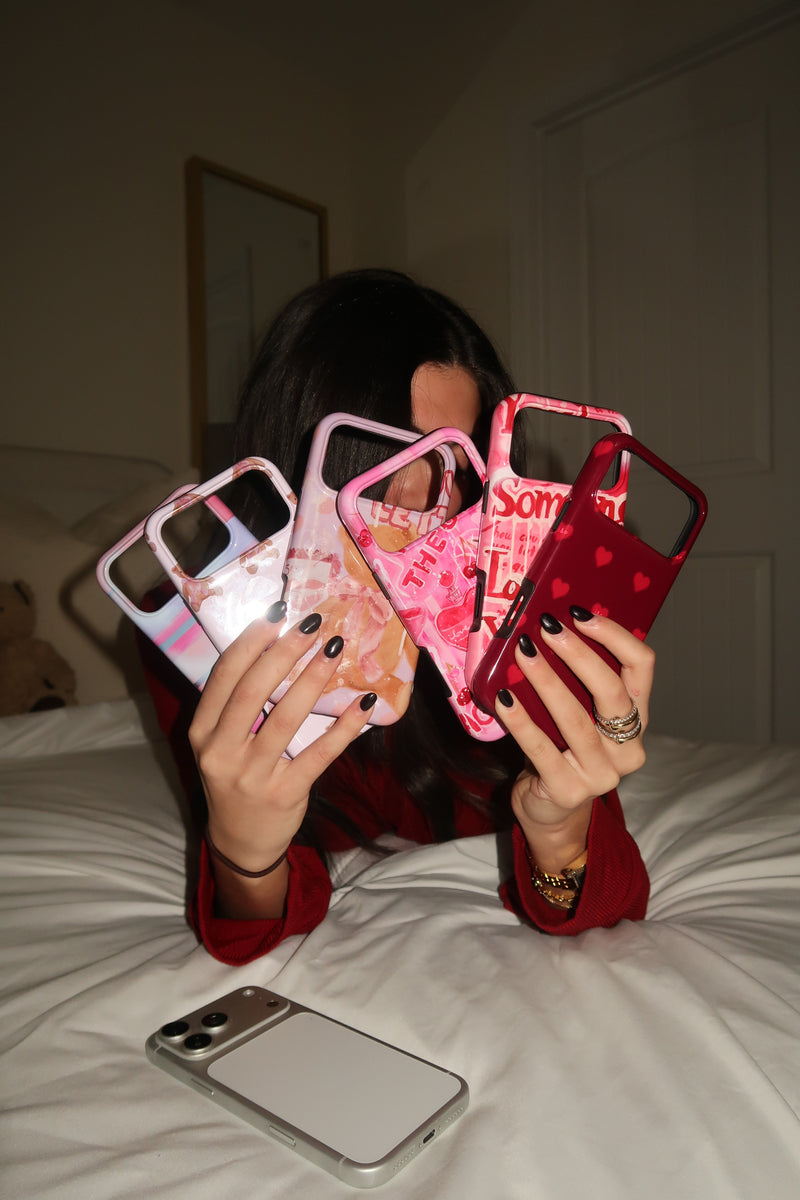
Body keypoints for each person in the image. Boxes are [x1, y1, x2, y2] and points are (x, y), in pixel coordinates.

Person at [177, 268, 652, 965]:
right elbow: (256, 929)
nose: (431, 498)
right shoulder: (213, 623)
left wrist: (559, 831)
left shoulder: (498, 604)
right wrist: (243, 854)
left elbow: (608, 904)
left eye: (458, 459)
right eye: (394, 452)